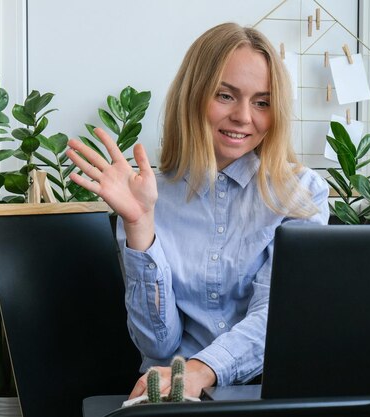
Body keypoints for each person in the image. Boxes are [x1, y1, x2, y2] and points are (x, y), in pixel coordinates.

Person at [66, 22, 330, 400]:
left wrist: (201, 370)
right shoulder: (148, 194)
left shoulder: (302, 194)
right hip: (176, 394)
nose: (243, 116)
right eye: (225, 95)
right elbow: (158, 347)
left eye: (262, 102)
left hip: (272, 393)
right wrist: (139, 225)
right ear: (193, 95)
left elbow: (277, 316)